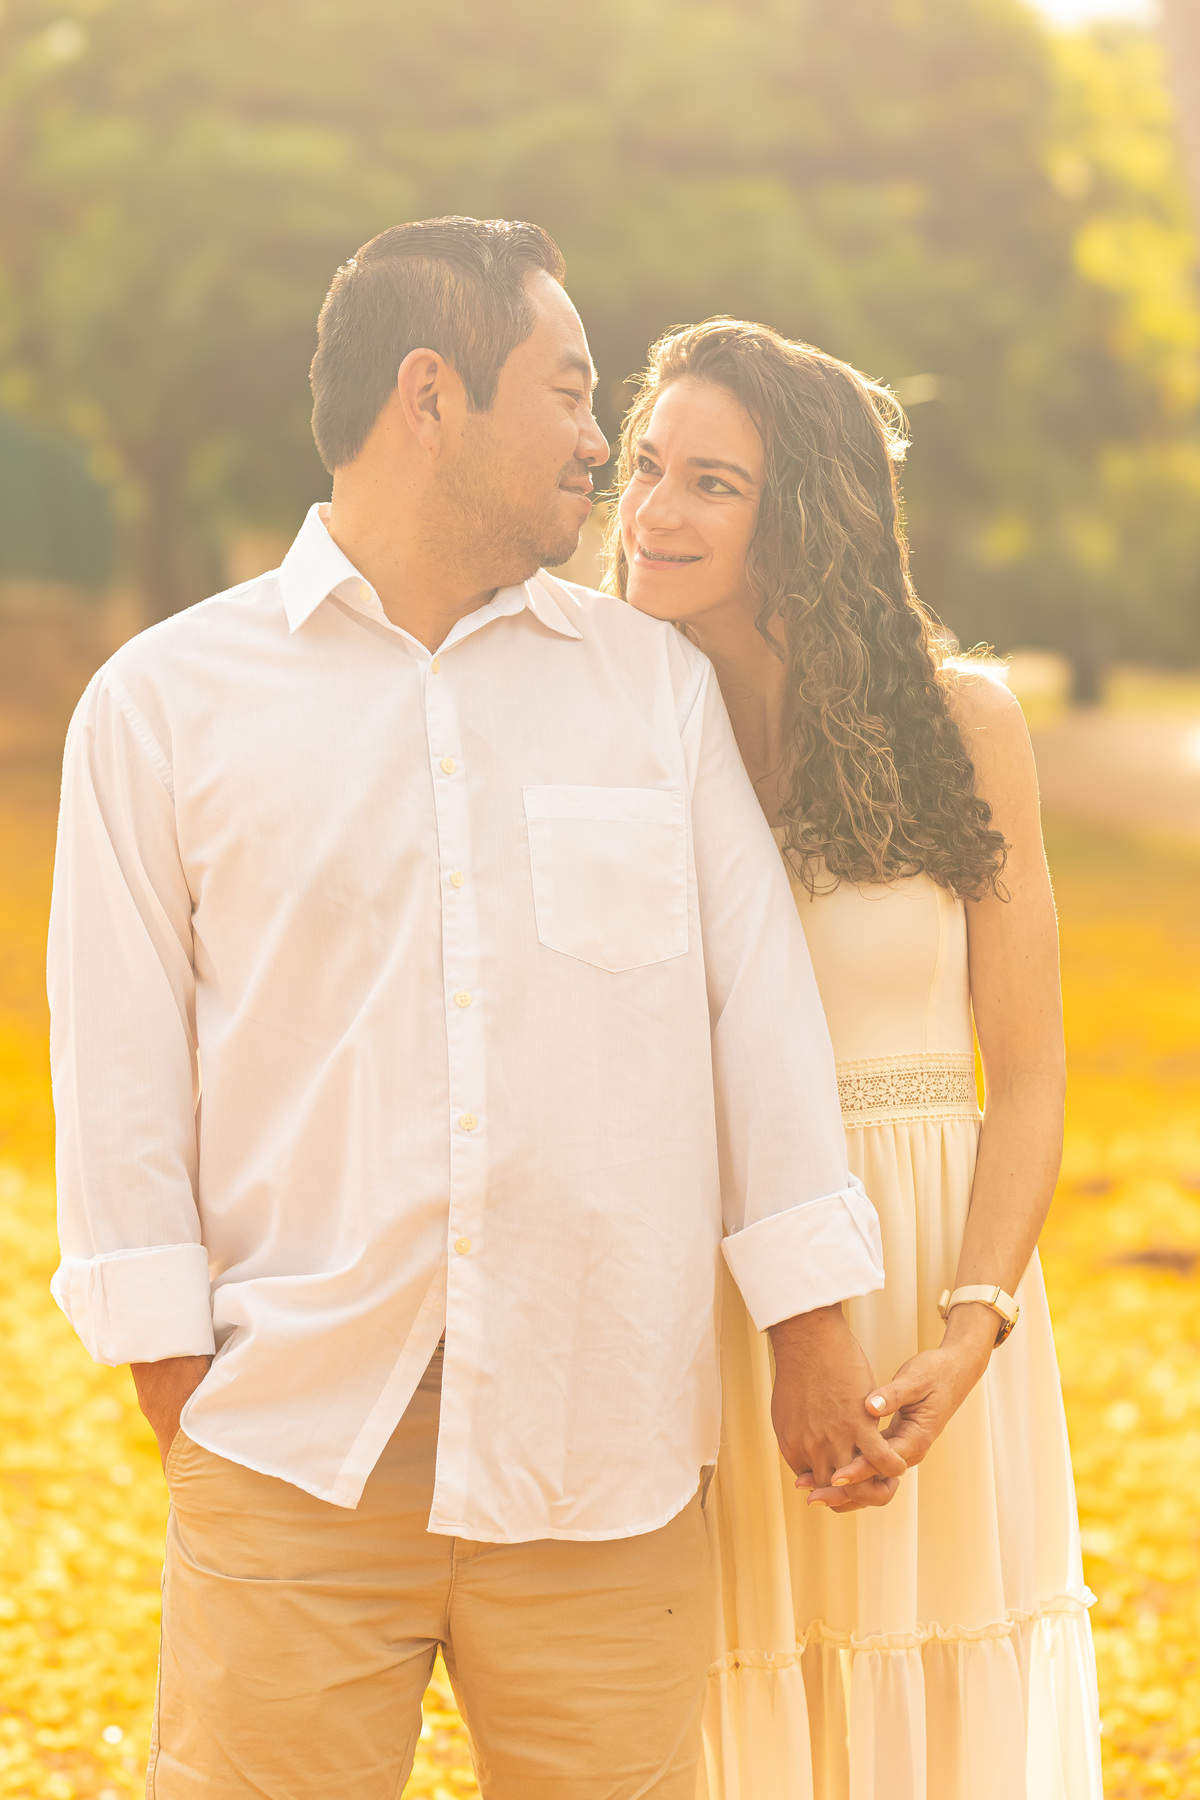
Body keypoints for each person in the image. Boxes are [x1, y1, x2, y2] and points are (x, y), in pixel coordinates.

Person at [47, 220, 901, 1800]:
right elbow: (115, 1077)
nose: (604, 445)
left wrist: (808, 1326)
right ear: (429, 396)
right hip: (295, 1452)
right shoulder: (164, 705)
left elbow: (753, 1012)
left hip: (604, 1457)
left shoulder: (649, 691)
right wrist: (185, 1389)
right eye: (571, 395)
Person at [612, 319, 1104, 1800]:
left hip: (933, 1295)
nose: (650, 513)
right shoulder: (618, 730)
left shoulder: (964, 724)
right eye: (644, 468)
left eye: (713, 482)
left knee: (933, 1700)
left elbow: (1024, 1075)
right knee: (725, 1703)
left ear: (807, 510)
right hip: (707, 1293)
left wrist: (972, 1328)